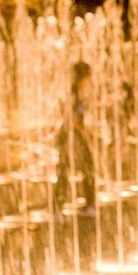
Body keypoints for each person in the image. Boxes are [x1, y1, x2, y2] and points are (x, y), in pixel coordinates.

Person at [54, 61, 97, 215]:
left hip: (71, 135)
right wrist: (85, 134)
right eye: (88, 76)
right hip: (71, 136)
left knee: (68, 170)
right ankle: (87, 206)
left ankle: (86, 205)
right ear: (82, 77)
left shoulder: (76, 93)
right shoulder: (74, 94)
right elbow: (71, 118)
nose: (91, 80)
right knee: (81, 168)